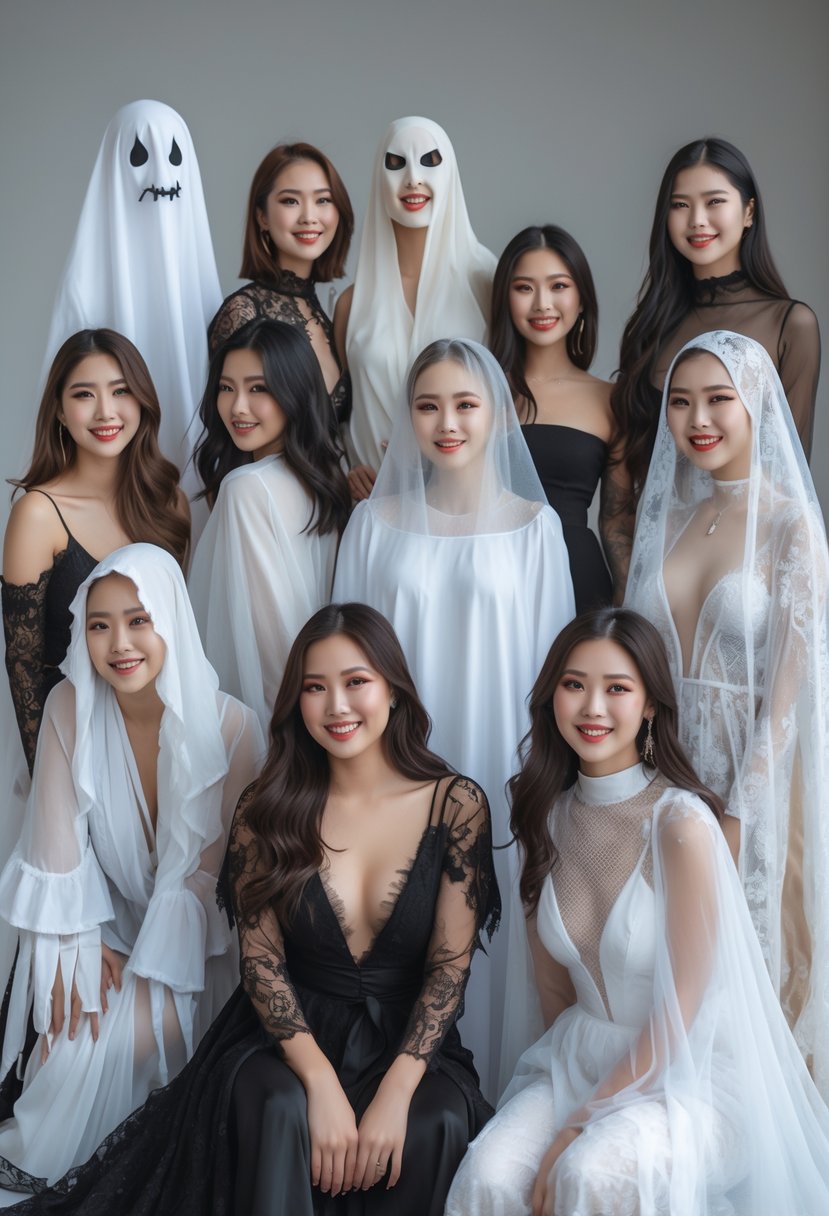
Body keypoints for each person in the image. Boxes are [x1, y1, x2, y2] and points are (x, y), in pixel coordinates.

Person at [0, 603, 498, 1215]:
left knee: (435, 1120)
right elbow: (261, 963)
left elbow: (449, 968)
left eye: (356, 682)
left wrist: (397, 1089)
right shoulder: (267, 808)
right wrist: (319, 1080)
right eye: (315, 688)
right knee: (278, 1106)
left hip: (408, 1039)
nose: (337, 706)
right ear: (296, 703)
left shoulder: (456, 804)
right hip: (286, 1035)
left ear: (393, 690)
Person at [447, 608, 829, 1216]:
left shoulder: (679, 824)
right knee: (489, 1177)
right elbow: (554, 991)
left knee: (591, 1174)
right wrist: (562, 1105)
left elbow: (684, 1012)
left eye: (617, 688)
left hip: (692, 1074)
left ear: (650, 704)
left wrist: (579, 1125)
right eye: (574, 684)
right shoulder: (543, 819)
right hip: (578, 1056)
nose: (592, 707)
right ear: (551, 698)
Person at [333, 338, 574, 1095]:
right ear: (406, 416)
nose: (447, 423)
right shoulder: (373, 524)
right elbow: (345, 659)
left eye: (465, 405)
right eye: (428, 405)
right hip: (399, 766)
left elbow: (553, 674)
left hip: (501, 763)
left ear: (495, 413)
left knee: (490, 925)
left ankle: (494, 1103)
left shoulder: (535, 528)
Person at [0, 545, 264, 1194]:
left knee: (128, 1047)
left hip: (201, 950)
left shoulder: (235, 729)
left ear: (171, 618)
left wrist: (141, 991)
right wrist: (85, 943)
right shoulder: (67, 707)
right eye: (99, 625)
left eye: (138, 620)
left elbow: (204, 889)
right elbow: (56, 848)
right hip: (109, 929)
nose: (119, 643)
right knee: (64, 1051)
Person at [624, 330, 829, 1097]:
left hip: (752, 788)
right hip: (661, 785)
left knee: (748, 994)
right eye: (679, 403)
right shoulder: (670, 519)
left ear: (756, 405)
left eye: (717, 399)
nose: (697, 419)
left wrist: (739, 813)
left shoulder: (789, 526)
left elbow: (788, 697)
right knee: (661, 979)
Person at [608, 137, 820, 594]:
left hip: (744, 584)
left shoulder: (790, 325)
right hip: (658, 576)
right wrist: (635, 601)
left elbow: (788, 480)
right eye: (680, 205)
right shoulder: (648, 329)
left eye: (714, 202)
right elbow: (619, 506)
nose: (697, 220)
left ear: (748, 212)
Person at [2, 329, 189, 775]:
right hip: (75, 737)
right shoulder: (38, 514)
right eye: (84, 394)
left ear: (142, 401)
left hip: (162, 735)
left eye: (121, 391)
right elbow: (24, 665)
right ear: (60, 411)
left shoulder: (170, 503)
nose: (106, 411)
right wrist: (49, 775)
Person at [40, 100, 222, 502]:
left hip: (195, 487)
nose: (161, 176)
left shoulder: (201, 280)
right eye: (140, 156)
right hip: (106, 484)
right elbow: (62, 394)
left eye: (174, 157)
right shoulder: (84, 283)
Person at [189, 319, 351, 733]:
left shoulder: (247, 488)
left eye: (258, 388)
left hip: (272, 720)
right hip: (320, 709)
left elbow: (272, 641)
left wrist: (288, 735)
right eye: (226, 388)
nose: (237, 407)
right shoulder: (326, 479)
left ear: (294, 390)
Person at [336, 116, 495, 494]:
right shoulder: (351, 304)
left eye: (429, 161)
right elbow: (338, 411)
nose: (413, 179)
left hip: (462, 502)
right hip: (375, 505)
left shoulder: (487, 282)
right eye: (396, 163)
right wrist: (347, 467)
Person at [490, 225, 614, 609]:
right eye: (524, 288)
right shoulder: (477, 393)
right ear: (505, 299)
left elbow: (619, 521)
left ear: (582, 298)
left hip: (577, 579)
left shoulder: (611, 398)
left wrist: (628, 611)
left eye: (558, 285)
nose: (542, 303)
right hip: (490, 579)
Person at [208, 142, 354, 431]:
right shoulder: (244, 312)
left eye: (323, 200)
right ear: (262, 216)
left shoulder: (325, 314)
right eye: (291, 201)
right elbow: (231, 434)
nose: (309, 216)